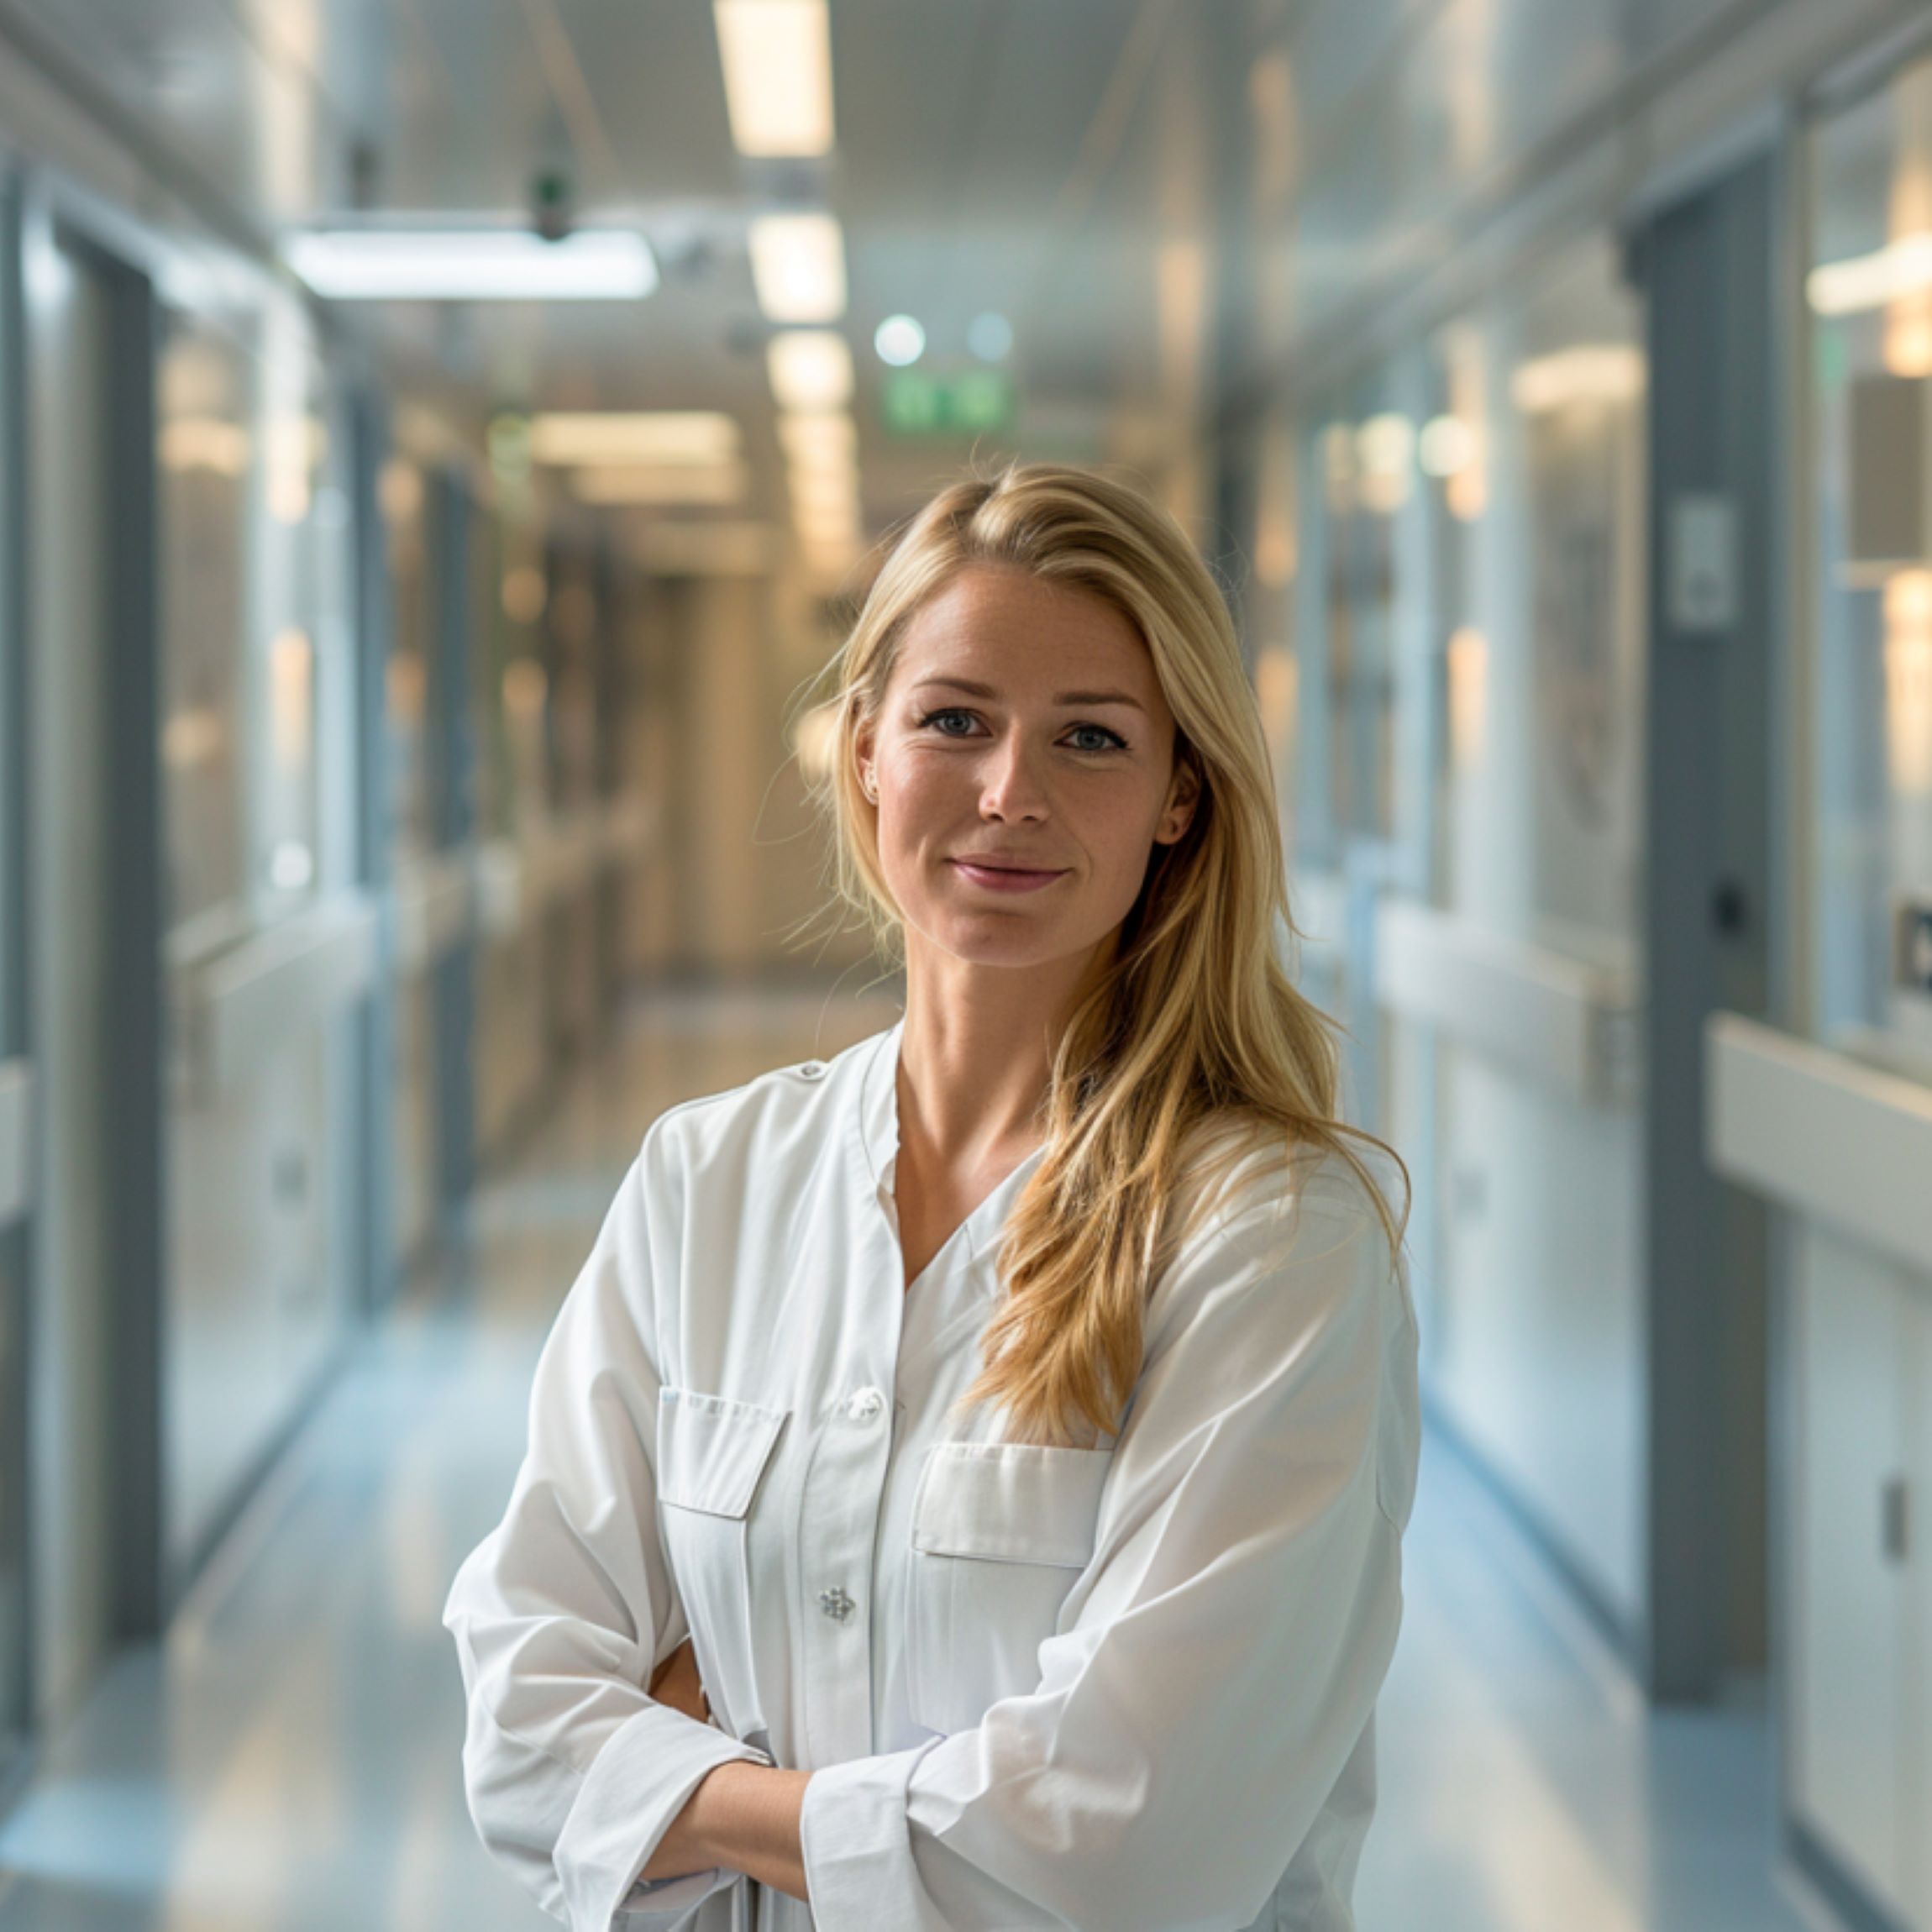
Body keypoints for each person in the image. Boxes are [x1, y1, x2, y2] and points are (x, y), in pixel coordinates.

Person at [442, 461, 1420, 1931]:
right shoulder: (706, 1185)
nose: (1011, 793)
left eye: (1091, 738)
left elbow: (1120, 1853)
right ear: (865, 758)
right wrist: (940, 1795)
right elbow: (519, 1728)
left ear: (1177, 802)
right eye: (956, 720)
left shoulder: (1267, 1245)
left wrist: (683, 1765)